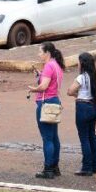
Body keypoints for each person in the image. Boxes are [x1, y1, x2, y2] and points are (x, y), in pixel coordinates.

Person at [28, 42, 65, 179]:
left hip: (46, 103)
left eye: (40, 52)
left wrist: (33, 89)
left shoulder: (49, 66)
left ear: (47, 53)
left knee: (47, 138)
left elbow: (44, 86)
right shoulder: (56, 65)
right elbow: (50, 83)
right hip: (54, 101)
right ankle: (54, 166)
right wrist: (40, 75)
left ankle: (48, 168)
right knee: (54, 136)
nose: (39, 54)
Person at [67, 51, 96, 177]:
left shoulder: (81, 77)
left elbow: (70, 91)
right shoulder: (93, 76)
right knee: (92, 135)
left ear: (82, 63)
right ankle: (95, 165)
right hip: (93, 106)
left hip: (83, 107)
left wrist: (78, 94)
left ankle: (86, 167)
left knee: (84, 137)